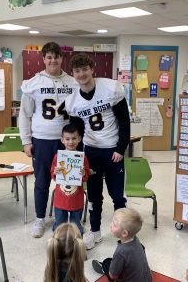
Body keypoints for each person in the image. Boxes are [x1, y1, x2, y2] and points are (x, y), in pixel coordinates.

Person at [65, 53, 130, 249]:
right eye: (77, 71)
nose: (82, 74)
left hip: (112, 150)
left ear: (92, 69)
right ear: (73, 74)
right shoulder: (73, 100)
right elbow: (75, 131)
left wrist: (121, 148)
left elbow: (124, 121)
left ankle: (124, 233)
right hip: (91, 151)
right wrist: (74, 155)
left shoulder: (110, 88)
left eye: (85, 69)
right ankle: (95, 232)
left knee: (117, 195)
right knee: (93, 195)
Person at [19, 42, 78, 238]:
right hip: (42, 138)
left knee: (68, 180)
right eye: (49, 57)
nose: (53, 60)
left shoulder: (72, 82)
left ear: (62, 58)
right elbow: (24, 115)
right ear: (43, 59)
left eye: (56, 56)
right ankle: (39, 219)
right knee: (42, 181)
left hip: (67, 140)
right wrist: (26, 141)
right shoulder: (33, 82)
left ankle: (66, 217)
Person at [92, 208, 152, 282]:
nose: (110, 225)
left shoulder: (121, 252)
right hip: (148, 279)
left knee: (106, 262)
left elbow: (113, 276)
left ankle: (103, 268)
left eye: (114, 225)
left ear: (124, 233)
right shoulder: (135, 239)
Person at [51, 123, 90, 235]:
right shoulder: (57, 157)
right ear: (62, 140)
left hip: (76, 199)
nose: (71, 142)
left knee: (76, 226)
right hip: (60, 199)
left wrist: (83, 174)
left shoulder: (83, 158)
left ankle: (77, 246)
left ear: (79, 139)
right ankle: (58, 245)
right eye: (67, 139)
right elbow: (53, 175)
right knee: (59, 225)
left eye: (74, 138)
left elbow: (86, 176)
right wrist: (56, 172)